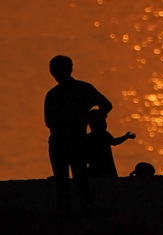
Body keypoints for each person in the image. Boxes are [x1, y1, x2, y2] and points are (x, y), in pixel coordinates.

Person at [44, 55, 112, 209]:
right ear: (70, 69)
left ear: (52, 72)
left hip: (58, 142)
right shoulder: (84, 88)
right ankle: (87, 211)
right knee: (81, 179)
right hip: (79, 140)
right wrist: (94, 116)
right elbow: (107, 105)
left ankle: (66, 214)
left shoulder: (52, 95)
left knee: (62, 181)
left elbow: (49, 122)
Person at [85, 109, 136, 177]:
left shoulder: (88, 138)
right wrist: (126, 137)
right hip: (106, 169)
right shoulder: (103, 135)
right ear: (95, 123)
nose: (106, 123)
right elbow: (114, 142)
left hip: (95, 170)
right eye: (103, 121)